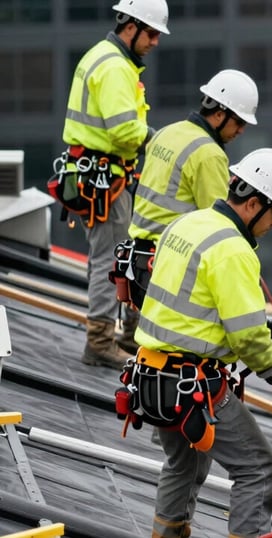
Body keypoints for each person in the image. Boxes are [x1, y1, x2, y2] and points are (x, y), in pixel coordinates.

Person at [133, 148, 272, 538]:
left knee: (186, 466)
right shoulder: (234, 249)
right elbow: (246, 335)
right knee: (260, 471)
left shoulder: (186, 224)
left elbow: (190, 301)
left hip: (152, 377)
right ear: (253, 204)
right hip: (191, 384)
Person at [59, 0, 169, 368]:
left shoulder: (105, 58)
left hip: (101, 174)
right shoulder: (114, 67)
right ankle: (100, 342)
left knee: (114, 256)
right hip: (105, 177)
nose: (155, 41)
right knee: (110, 259)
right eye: (151, 33)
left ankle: (121, 335)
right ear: (131, 27)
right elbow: (123, 131)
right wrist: (157, 140)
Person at [117, 69, 259, 316]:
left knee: (141, 346)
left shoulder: (167, 132)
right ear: (219, 114)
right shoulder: (209, 153)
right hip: (168, 269)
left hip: (137, 263)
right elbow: (220, 227)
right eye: (239, 122)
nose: (241, 131)